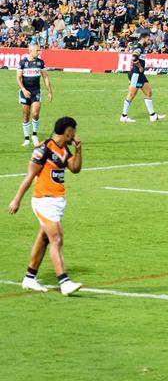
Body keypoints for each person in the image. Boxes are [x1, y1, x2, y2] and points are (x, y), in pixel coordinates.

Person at [7, 116, 83, 295]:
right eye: (74, 131)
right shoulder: (43, 149)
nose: (75, 135)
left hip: (57, 201)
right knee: (56, 238)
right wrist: (16, 199)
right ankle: (64, 282)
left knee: (44, 239)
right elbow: (29, 176)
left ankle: (29, 278)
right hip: (43, 200)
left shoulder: (64, 149)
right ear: (67, 131)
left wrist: (79, 151)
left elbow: (75, 168)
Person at [17, 43, 53, 147]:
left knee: (35, 114)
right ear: (30, 51)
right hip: (25, 93)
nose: (39, 52)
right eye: (37, 50)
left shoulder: (40, 63)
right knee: (25, 115)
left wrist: (50, 92)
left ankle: (34, 135)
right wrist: (23, 90)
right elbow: (18, 78)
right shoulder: (23, 62)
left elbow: (45, 77)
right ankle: (26, 138)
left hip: (36, 91)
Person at [120, 47, 166, 123]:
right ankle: (123, 116)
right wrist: (140, 67)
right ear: (144, 38)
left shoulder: (142, 48)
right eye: (148, 39)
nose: (149, 41)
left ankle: (153, 115)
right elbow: (134, 57)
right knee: (131, 95)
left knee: (149, 92)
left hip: (140, 75)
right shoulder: (139, 47)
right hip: (136, 74)